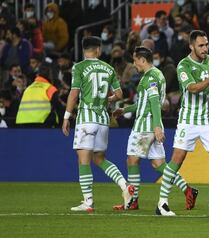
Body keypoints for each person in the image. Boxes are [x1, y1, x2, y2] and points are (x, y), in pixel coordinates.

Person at [155, 30, 209, 216]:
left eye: (206, 44)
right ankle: (162, 203)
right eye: (201, 45)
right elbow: (192, 88)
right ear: (191, 46)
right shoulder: (183, 65)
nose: (205, 48)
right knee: (177, 159)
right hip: (188, 121)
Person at [111, 47, 197, 210]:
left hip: (145, 127)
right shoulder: (157, 75)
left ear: (142, 60)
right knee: (159, 164)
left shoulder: (150, 77)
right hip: (152, 126)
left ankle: (132, 200)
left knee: (132, 160)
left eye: (135, 60)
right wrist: (125, 110)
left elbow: (155, 103)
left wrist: (157, 127)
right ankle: (188, 189)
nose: (134, 63)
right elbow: (145, 102)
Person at [62, 36, 134, 212]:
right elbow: (119, 94)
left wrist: (66, 116)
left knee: (83, 160)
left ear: (84, 49)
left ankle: (88, 202)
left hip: (86, 118)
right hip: (103, 119)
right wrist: (105, 98)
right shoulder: (108, 68)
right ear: (99, 50)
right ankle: (125, 187)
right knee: (100, 158)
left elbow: (74, 93)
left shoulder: (79, 67)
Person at [15, 63, 61, 127]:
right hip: (41, 124)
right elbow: (58, 109)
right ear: (50, 75)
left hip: (23, 124)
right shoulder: (50, 89)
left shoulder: (28, 88)